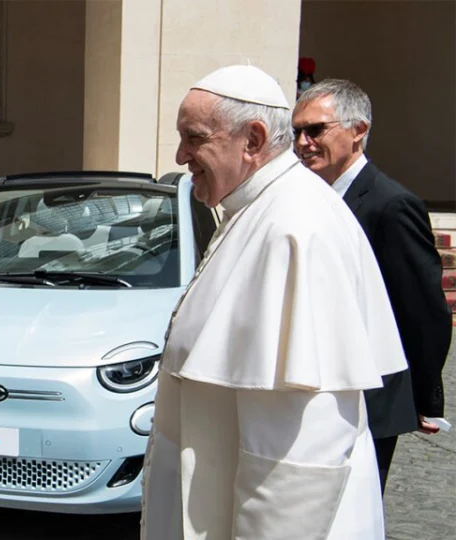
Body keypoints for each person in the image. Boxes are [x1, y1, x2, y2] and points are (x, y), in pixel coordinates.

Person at [139, 65, 408, 539]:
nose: (181, 156)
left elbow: (296, 458)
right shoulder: (259, 206)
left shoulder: (294, 226)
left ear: (254, 139)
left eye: (193, 138)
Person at [293, 78, 452, 493]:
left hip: (372, 396)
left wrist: (421, 398)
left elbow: (423, 311)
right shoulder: (312, 197)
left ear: (358, 130)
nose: (303, 142)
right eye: (297, 132)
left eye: (315, 130)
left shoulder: (391, 204)